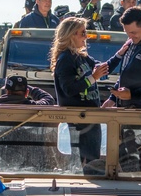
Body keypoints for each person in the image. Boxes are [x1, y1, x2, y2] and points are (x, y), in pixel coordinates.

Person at [51, 17, 126, 164]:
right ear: (71, 35)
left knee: (93, 159)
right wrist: (93, 77)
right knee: (82, 162)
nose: (86, 36)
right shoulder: (65, 59)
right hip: (79, 120)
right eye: (82, 33)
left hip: (91, 118)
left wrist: (120, 54)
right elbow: (69, 89)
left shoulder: (80, 56)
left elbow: (103, 68)